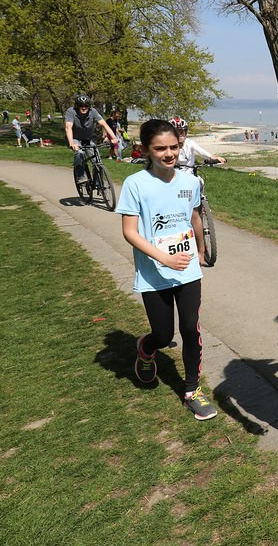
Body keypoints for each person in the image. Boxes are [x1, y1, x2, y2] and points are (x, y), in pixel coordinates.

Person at [116, 119, 216, 421]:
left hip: (187, 270)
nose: (169, 153)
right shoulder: (135, 184)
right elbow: (130, 232)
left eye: (174, 147)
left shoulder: (190, 182)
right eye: (160, 148)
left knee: (190, 329)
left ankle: (192, 391)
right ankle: (146, 349)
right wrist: (163, 258)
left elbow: (195, 217)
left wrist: (199, 250)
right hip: (153, 272)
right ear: (146, 150)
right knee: (163, 334)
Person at [64, 95, 118, 188]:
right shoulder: (71, 112)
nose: (84, 108)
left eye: (86, 106)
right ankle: (80, 176)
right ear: (77, 106)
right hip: (75, 138)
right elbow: (68, 127)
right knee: (79, 153)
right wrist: (72, 143)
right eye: (81, 106)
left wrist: (113, 137)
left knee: (97, 160)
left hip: (88, 138)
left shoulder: (93, 112)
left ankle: (98, 182)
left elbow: (104, 124)